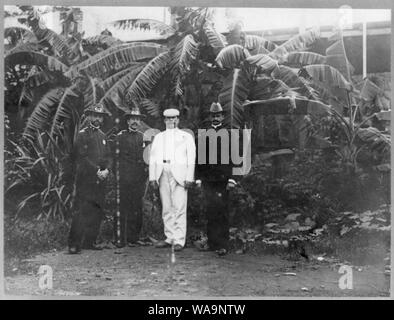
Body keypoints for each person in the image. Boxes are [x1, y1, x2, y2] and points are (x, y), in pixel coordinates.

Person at [195, 102, 239, 256]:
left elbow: (235, 158)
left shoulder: (228, 133)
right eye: (213, 115)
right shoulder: (204, 134)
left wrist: (232, 179)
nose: (215, 118)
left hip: (223, 180)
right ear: (210, 116)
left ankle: (223, 244)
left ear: (223, 116)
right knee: (210, 210)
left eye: (218, 115)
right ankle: (212, 243)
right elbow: (199, 158)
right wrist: (198, 178)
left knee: (222, 211)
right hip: (208, 179)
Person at [149, 108, 196, 252]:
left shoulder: (186, 136)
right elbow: (153, 157)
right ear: (164, 120)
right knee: (167, 207)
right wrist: (152, 177)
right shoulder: (159, 137)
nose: (171, 121)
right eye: (168, 119)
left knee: (179, 206)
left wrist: (189, 177)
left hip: (180, 174)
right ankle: (169, 237)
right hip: (163, 171)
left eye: (174, 118)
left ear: (178, 120)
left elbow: (191, 158)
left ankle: (179, 240)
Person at [68, 103, 111, 254]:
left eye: (100, 116)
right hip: (86, 179)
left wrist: (106, 170)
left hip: (100, 180)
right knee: (82, 210)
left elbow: (107, 157)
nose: (97, 119)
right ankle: (74, 244)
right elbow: (81, 157)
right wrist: (96, 171)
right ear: (89, 117)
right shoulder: (82, 135)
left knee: (97, 210)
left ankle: (90, 241)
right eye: (95, 115)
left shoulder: (103, 136)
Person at [113, 107, 147, 247]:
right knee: (122, 207)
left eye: (137, 119)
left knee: (136, 207)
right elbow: (115, 159)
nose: (135, 122)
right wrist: (118, 176)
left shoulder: (142, 137)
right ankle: (119, 239)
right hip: (124, 178)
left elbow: (146, 158)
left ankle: (134, 237)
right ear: (127, 121)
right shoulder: (120, 136)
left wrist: (144, 176)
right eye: (132, 119)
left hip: (138, 179)